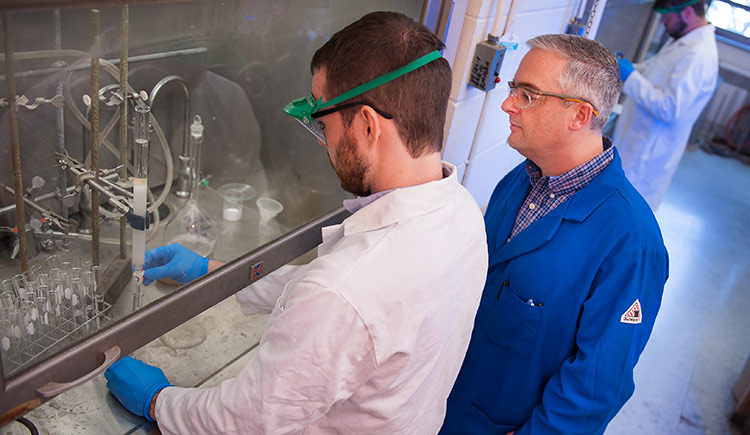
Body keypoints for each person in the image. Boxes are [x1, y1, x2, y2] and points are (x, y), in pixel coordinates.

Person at [104, 11, 488, 434]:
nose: (324, 142)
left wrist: (157, 400)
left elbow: (243, 421)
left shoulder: (347, 290)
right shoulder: (463, 213)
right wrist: (212, 273)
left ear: (366, 124)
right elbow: (343, 310)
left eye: (322, 124)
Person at [440, 34, 669, 434]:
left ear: (580, 115)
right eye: (514, 90)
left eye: (528, 95)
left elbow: (597, 385)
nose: (508, 104)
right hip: (446, 403)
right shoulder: (521, 179)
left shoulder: (631, 244)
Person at [612, 0, 718, 209]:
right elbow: (655, 71)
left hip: (645, 158)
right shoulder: (683, 40)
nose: (662, 21)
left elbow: (669, 108)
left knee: (623, 215)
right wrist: (630, 69)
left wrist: (631, 77)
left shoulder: (698, 55)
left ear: (687, 12)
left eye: (666, 15)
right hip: (635, 144)